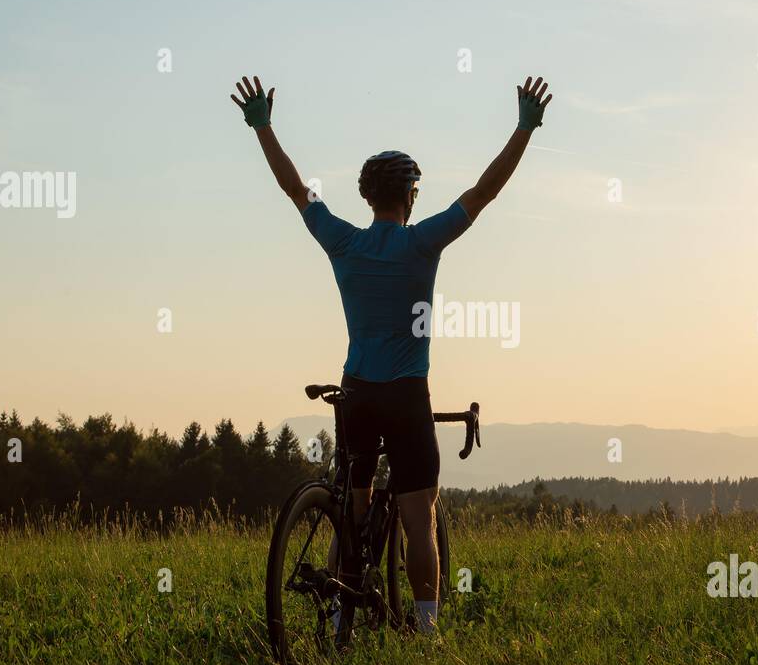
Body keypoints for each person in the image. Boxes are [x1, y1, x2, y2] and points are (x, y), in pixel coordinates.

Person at [231, 73, 553, 632]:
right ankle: (426, 634)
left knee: (350, 514)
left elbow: (294, 189)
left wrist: (263, 126)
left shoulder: (343, 242)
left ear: (365, 196)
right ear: (409, 196)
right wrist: (523, 128)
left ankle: (337, 622)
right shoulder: (422, 243)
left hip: (356, 393)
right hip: (406, 397)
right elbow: (483, 192)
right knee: (418, 518)